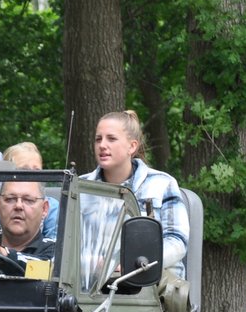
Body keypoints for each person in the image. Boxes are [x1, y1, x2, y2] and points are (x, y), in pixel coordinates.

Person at [80, 110, 189, 279]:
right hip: (92, 284)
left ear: (132, 146)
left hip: (149, 286)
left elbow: (177, 241)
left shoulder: (162, 184)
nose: (102, 145)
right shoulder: (80, 187)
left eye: (111, 138)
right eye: (98, 139)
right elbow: (66, 245)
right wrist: (93, 263)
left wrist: (132, 264)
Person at [0, 142, 59, 242]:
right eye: (23, 171)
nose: (32, 176)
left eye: (37, 171)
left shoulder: (52, 208)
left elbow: (55, 246)